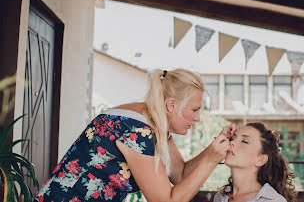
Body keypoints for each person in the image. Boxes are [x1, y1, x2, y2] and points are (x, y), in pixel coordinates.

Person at [34, 68, 234, 202]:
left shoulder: (153, 122)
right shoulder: (138, 131)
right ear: (171, 105)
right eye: (194, 110)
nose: (198, 118)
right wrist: (210, 161)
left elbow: (180, 174)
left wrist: (213, 151)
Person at [214, 122, 297, 202]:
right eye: (232, 138)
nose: (231, 142)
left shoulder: (273, 200)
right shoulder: (221, 196)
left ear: (261, 160)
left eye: (245, 141)